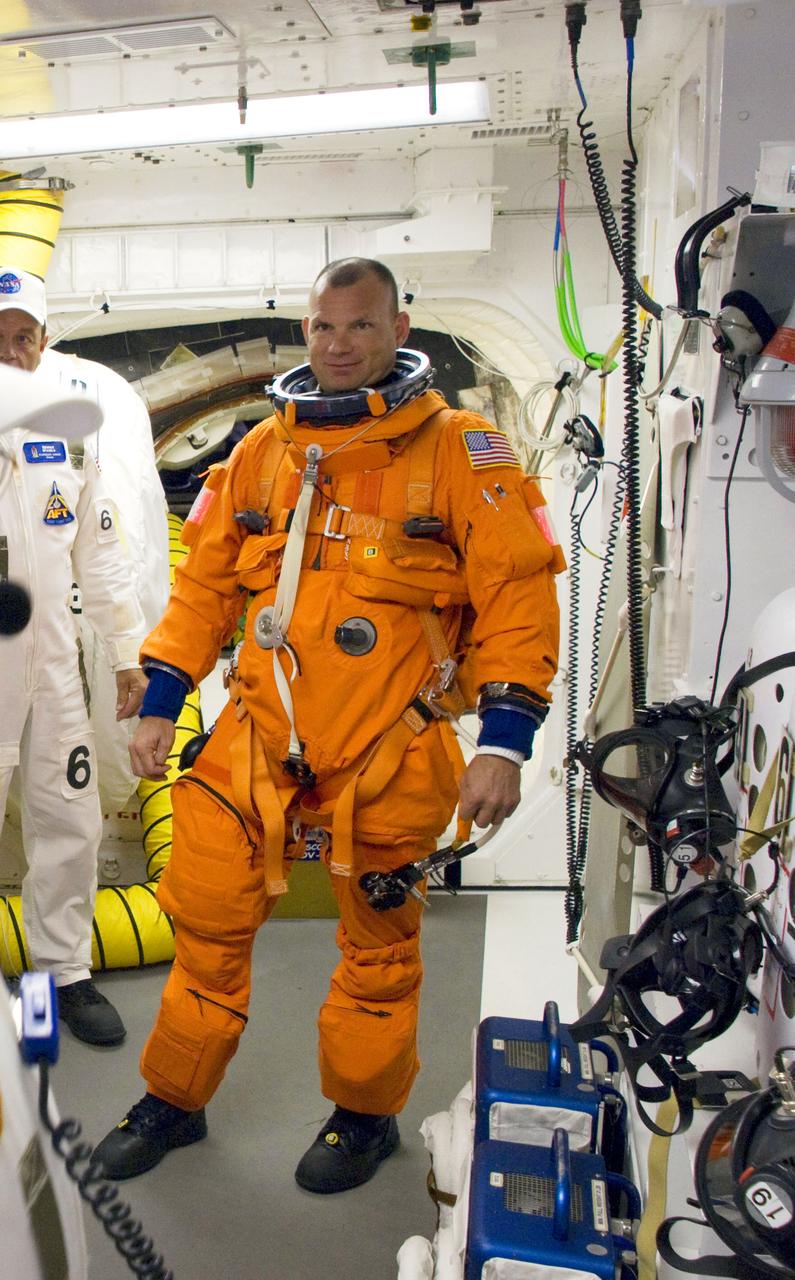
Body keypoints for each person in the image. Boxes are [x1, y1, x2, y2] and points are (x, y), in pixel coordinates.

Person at [93, 257, 563, 1190]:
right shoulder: (262, 453)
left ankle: (362, 1117)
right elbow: (203, 591)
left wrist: (504, 746)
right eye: (321, 327)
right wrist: (160, 704)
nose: (338, 345)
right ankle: (175, 1102)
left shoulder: (462, 452)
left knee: (379, 950)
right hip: (259, 740)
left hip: (392, 746)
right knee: (205, 927)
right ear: (305, 332)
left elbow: (517, 600)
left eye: (358, 326)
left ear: (398, 330)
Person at [0, 266, 148, 1044]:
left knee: (69, 820)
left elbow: (102, 551)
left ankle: (59, 975)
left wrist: (128, 652)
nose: (9, 351)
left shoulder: (69, 432)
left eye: (22, 336)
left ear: (43, 343)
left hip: (53, 663)